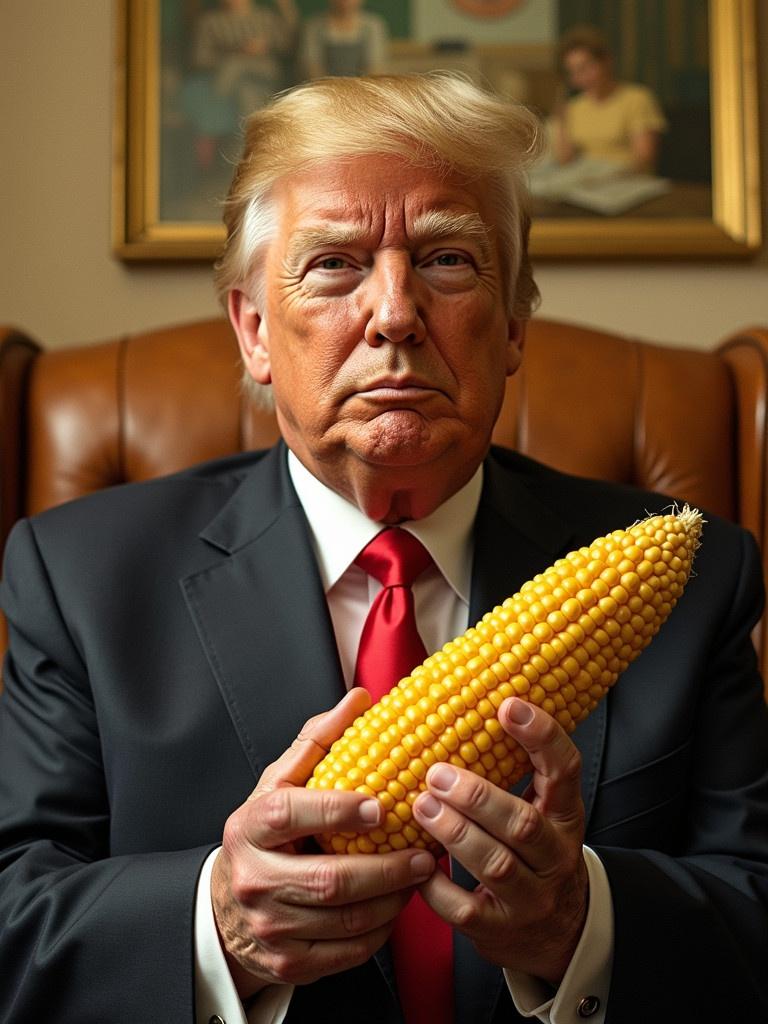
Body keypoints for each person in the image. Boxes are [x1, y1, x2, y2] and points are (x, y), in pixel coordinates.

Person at [1, 73, 767, 1024]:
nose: (396, 314)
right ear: (253, 332)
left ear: (515, 328)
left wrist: (584, 926)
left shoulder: (698, 582)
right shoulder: (78, 578)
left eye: (449, 260)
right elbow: (14, 914)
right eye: (334, 264)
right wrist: (217, 926)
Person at [551, 25, 667, 174]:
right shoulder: (575, 106)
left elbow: (644, 158)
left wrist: (605, 175)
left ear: (606, 61)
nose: (581, 78)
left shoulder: (637, 98)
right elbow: (565, 160)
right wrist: (561, 122)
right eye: (573, 72)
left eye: (586, 67)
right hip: (587, 182)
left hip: (628, 182)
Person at [298, 0, 388, 80]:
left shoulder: (372, 26)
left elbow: (375, 69)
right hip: (323, 92)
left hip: (361, 92)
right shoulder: (314, 27)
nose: (345, 1)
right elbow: (311, 68)